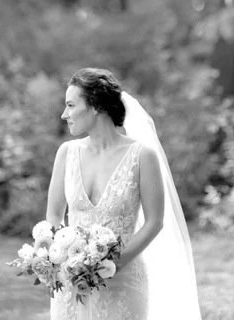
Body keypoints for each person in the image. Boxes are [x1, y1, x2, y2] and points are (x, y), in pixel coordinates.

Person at [46, 67, 201, 319]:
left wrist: (111, 264)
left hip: (124, 281)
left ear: (95, 105)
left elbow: (154, 222)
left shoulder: (142, 156)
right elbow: (54, 215)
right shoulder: (66, 153)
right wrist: (61, 259)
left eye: (71, 105)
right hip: (73, 283)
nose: (65, 115)